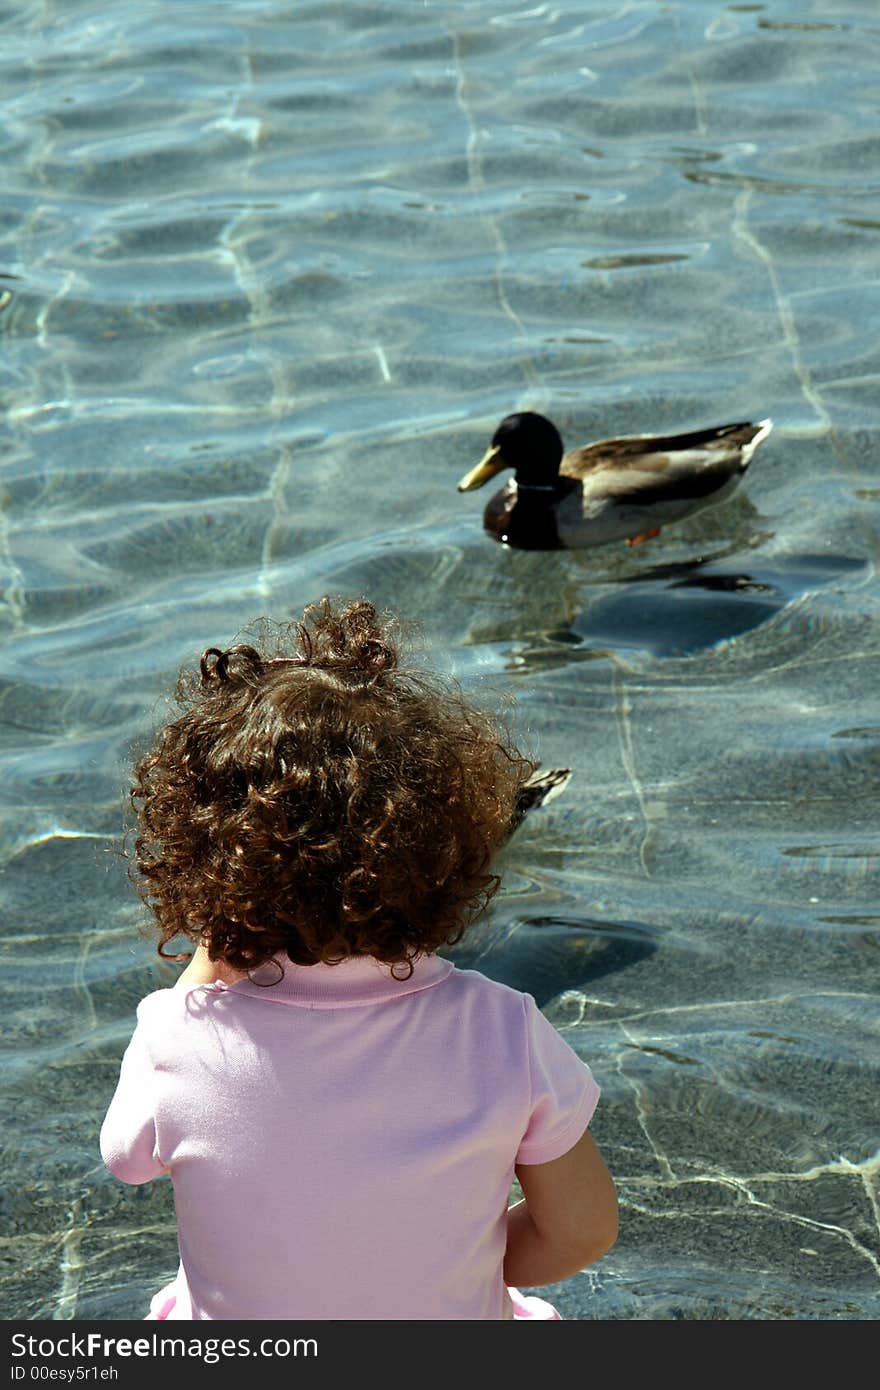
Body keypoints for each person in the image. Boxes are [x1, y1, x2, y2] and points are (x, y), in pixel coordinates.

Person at [100, 596, 618, 1321]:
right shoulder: (504, 1030)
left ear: (204, 864)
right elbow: (584, 1230)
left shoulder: (177, 1039)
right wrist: (458, 1268)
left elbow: (126, 1159)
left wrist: (201, 972)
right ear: (446, 852)